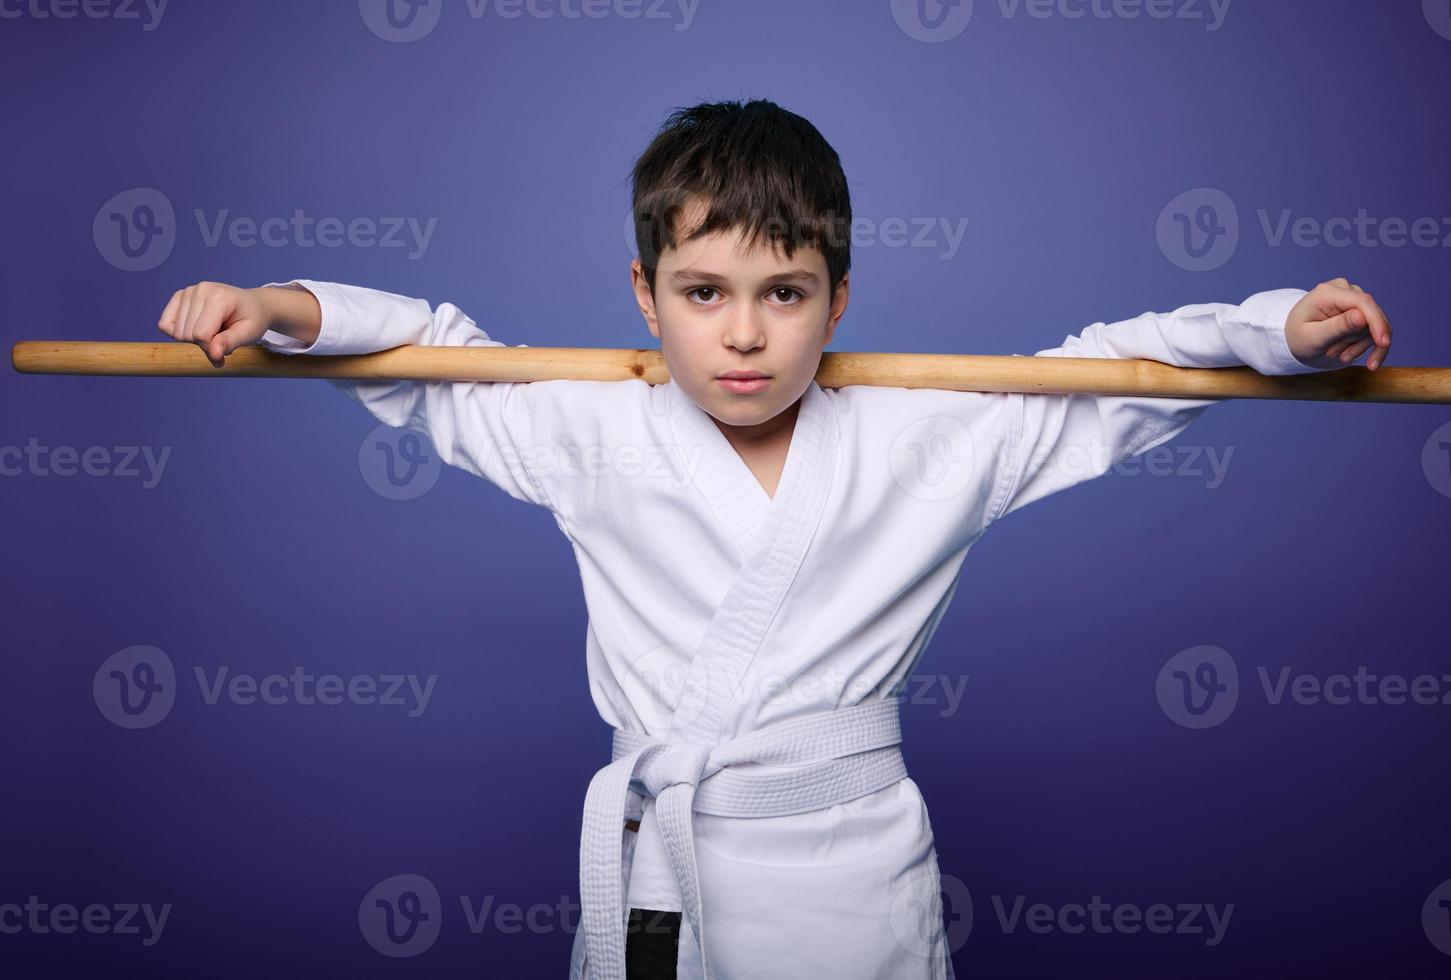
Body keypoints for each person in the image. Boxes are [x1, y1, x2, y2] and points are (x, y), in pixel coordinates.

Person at [154, 99, 1392, 980]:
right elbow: (419, 353)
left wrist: (1280, 328)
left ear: (836, 299)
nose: (741, 335)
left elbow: (1120, 374)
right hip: (658, 864)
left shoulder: (929, 439)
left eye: (782, 294)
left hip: (851, 875)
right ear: (645, 295)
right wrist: (270, 309)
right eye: (702, 293)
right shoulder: (591, 430)